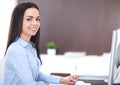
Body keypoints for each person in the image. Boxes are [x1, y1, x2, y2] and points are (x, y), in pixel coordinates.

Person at [3, 1, 79, 85]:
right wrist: (46, 84)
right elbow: (29, 83)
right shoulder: (16, 50)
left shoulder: (31, 46)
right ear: (18, 22)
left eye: (37, 19)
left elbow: (37, 75)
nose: (35, 23)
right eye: (29, 19)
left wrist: (62, 80)